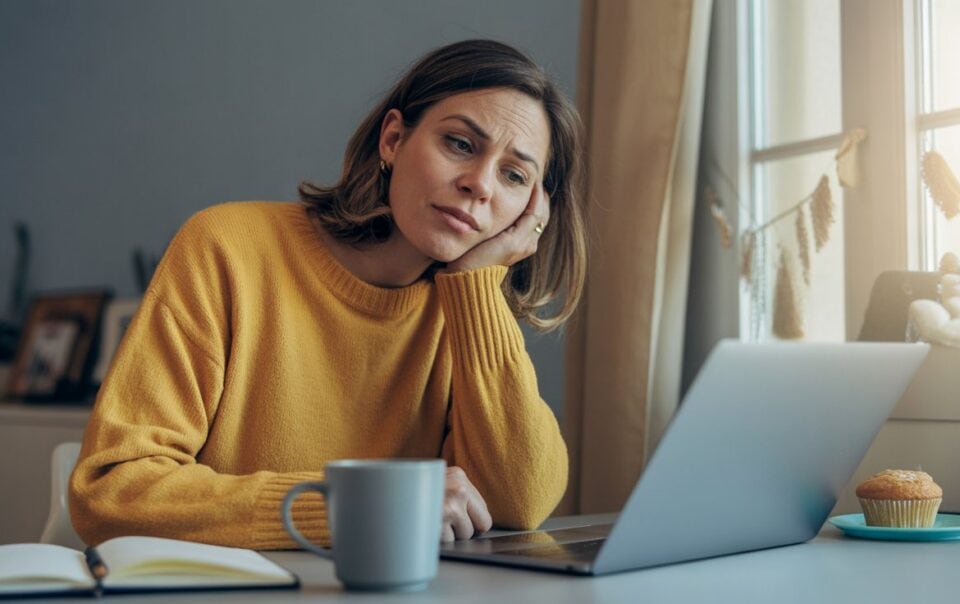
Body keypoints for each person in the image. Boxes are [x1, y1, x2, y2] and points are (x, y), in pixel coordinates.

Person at [69, 38, 587, 550]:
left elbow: (520, 501)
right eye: (459, 144)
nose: (480, 184)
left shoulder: (467, 313)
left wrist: (476, 290)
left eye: (514, 175)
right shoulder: (225, 247)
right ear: (393, 139)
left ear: (529, 213)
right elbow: (113, 492)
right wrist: (350, 509)